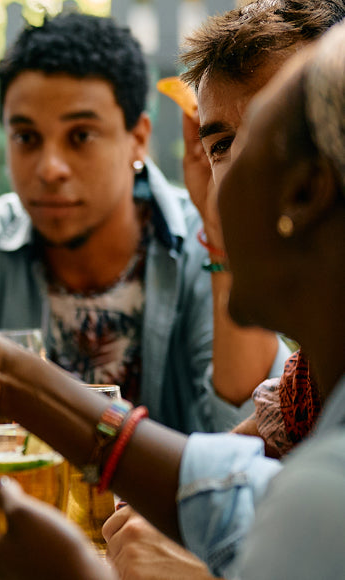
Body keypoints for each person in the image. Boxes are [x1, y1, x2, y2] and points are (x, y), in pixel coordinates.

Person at [0, 23, 345, 579]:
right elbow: (225, 486)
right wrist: (16, 383)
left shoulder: (323, 489)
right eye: (217, 144)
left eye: (249, 147)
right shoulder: (305, 398)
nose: (211, 190)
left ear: (306, 189)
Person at [0, 12, 287, 454]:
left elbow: (245, 437)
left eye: (80, 136)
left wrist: (221, 241)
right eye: (26, 137)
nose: (49, 168)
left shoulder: (201, 247)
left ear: (138, 137)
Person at [104, 3, 345, 578]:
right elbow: (216, 466)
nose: (226, 181)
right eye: (220, 146)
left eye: (267, 132)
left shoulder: (323, 490)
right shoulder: (308, 387)